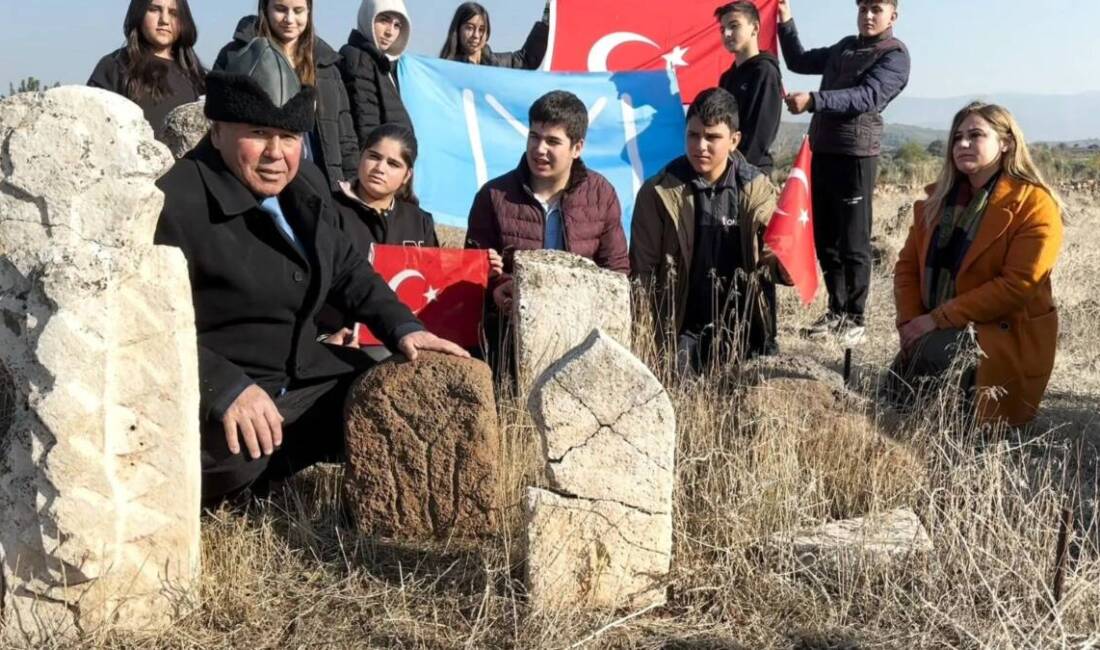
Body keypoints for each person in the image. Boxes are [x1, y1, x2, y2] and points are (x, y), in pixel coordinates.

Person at [154, 38, 466, 506]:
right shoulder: (173, 203)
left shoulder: (307, 184)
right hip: (218, 398)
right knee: (227, 460)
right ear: (217, 129)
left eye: (288, 136)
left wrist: (404, 327)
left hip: (301, 376)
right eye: (258, 133)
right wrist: (224, 389)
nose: (275, 153)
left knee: (394, 385)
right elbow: (148, 328)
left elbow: (347, 270)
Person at [892, 102, 1063, 427]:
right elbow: (906, 268)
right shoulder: (935, 204)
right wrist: (911, 323)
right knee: (894, 396)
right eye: (957, 138)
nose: (963, 145)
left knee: (932, 358)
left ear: (1006, 143)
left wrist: (937, 320)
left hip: (1002, 334)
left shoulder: (1035, 205)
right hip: (938, 327)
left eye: (975, 135)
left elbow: (1018, 286)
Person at [777, 0, 911, 345]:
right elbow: (799, 61)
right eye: (863, 7)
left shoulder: (894, 55)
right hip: (823, 151)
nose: (868, 15)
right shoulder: (844, 47)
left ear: (892, 15)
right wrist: (785, 22)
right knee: (826, 239)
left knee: (854, 240)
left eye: (876, 9)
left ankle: (856, 317)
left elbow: (866, 97)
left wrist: (815, 100)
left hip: (856, 156)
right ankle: (836, 311)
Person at [630, 88, 787, 372]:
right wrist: (646, 338)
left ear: (734, 140)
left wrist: (788, 262)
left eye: (712, 137)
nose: (700, 145)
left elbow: (772, 254)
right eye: (693, 135)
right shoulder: (657, 192)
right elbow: (643, 273)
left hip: (745, 328)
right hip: (681, 329)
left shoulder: (757, 188)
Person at [320, 123, 504, 348]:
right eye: (374, 157)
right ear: (361, 157)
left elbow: (434, 284)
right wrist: (324, 336)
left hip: (403, 341)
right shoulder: (326, 209)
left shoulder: (419, 221)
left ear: (407, 175)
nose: (380, 168)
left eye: (393, 164)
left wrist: (482, 271)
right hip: (338, 339)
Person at [465, 90, 630, 313]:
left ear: (577, 148)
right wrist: (498, 286)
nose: (540, 149)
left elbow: (616, 272)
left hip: (581, 326)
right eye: (534, 137)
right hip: (510, 330)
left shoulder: (601, 195)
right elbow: (473, 269)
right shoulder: (493, 195)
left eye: (552, 141)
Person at [213, 0, 359, 191]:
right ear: (265, 9)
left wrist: (352, 185)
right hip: (258, 176)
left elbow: (345, 137)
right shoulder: (236, 55)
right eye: (280, 9)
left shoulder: (327, 66)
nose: (289, 19)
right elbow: (216, 121)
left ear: (309, 12)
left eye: (298, 11)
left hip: (318, 182)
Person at [88, 0, 206, 141]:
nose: (164, 20)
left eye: (173, 13)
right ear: (139, 13)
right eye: (154, 9)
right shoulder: (114, 65)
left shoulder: (196, 76)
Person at [715, 1, 783, 175]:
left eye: (734, 26)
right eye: (723, 29)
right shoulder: (726, 78)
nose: (727, 34)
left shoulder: (765, 72)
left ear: (755, 28)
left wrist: (737, 172)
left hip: (751, 173)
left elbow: (760, 133)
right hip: (724, 170)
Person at [340, 0, 414, 148]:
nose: (390, 32)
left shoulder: (385, 63)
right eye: (384, 20)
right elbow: (366, 125)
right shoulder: (358, 59)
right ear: (368, 17)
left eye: (397, 25)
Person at [439, 2, 549, 70]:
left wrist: (546, 20)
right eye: (469, 28)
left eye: (481, 29)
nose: (476, 35)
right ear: (457, 30)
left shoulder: (496, 64)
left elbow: (526, 61)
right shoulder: (445, 71)